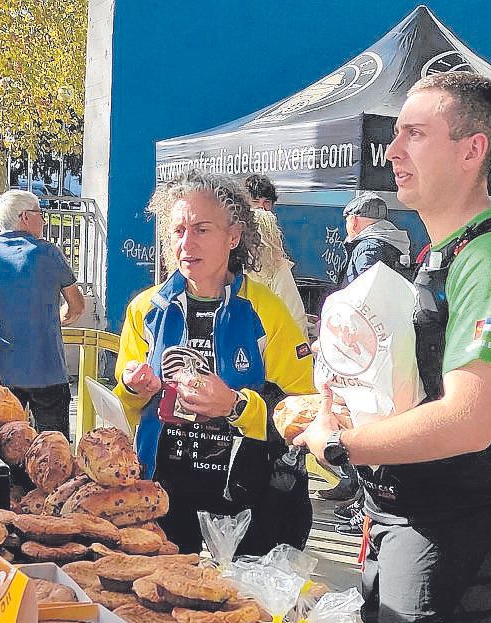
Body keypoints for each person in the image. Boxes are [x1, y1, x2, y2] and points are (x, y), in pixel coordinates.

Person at [295, 72, 491, 623]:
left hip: (461, 526)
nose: (392, 150)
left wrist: (337, 444)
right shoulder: (445, 250)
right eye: (395, 134)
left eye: (414, 133)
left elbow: (469, 420)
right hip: (413, 514)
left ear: (472, 150)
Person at [116, 170, 315, 555]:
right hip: (163, 492)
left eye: (203, 230)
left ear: (234, 236)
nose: (187, 243)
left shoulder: (267, 311)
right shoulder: (145, 309)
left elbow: (302, 406)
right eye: (178, 231)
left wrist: (237, 406)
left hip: (246, 495)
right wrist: (132, 386)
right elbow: (126, 403)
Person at [320, 192, 416, 528]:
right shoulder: (395, 242)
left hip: (366, 348)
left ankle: (366, 506)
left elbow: (362, 301)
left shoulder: (368, 248)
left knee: (362, 418)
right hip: (389, 346)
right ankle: (358, 492)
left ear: (356, 220)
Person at [0, 189, 85, 435]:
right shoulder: (47, 252)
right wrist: (51, 320)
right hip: (47, 369)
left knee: (0, 449)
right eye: (41, 213)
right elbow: (77, 307)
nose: (45, 220)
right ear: (25, 217)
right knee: (51, 451)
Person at [242, 174, 307, 326]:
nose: (261, 207)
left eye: (267, 202)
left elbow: (294, 316)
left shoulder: (275, 262)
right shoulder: (228, 253)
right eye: (255, 201)